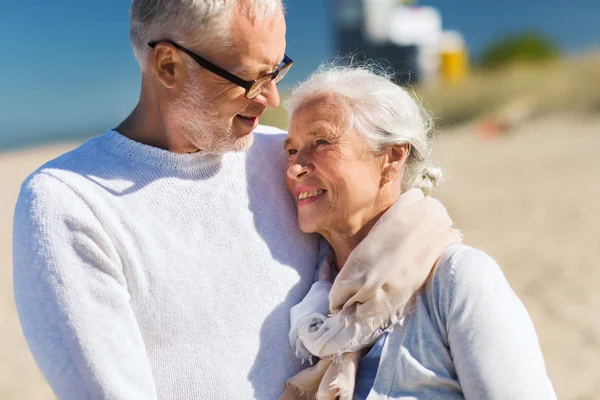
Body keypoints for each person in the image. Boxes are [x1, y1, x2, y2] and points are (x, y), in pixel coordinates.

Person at [12, 2, 432, 399]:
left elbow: (409, 260)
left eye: (278, 71)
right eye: (252, 78)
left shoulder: (289, 161)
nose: (271, 99)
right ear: (168, 65)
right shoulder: (68, 202)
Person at [281, 66, 557, 399]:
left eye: (321, 142)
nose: (295, 168)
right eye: (291, 150)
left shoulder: (458, 279)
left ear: (392, 157)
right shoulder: (313, 300)